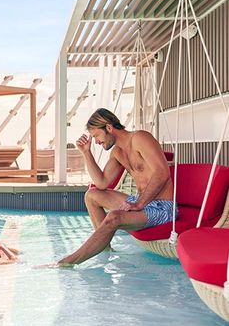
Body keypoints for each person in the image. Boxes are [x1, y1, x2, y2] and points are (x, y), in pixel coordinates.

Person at [58, 108, 175, 265]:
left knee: (114, 217)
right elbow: (101, 183)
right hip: (140, 203)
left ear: (108, 127)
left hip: (163, 208)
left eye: (96, 136)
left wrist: (139, 204)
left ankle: (68, 262)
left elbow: (162, 173)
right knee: (91, 195)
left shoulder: (140, 138)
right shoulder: (117, 152)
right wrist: (86, 153)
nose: (97, 141)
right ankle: (104, 250)